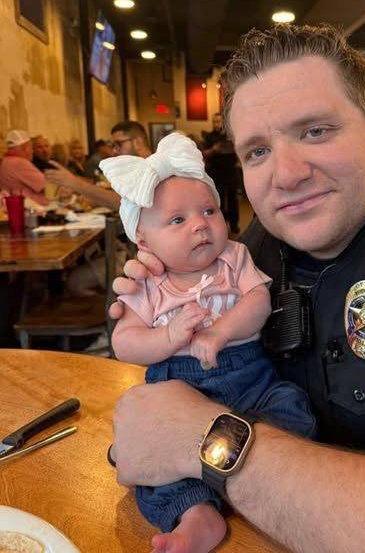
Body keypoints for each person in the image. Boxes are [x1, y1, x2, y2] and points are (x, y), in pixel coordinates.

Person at [110, 24, 365, 553]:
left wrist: (206, 440)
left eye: (315, 131)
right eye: (257, 152)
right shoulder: (255, 245)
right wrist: (156, 299)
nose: (286, 175)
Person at [100, 132, 315, 553]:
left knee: (292, 408)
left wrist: (220, 331)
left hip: (250, 379)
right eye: (177, 221)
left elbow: (258, 300)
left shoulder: (233, 257)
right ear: (144, 241)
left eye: (208, 211)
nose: (200, 224)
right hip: (178, 388)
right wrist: (167, 336)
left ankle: (262, 481)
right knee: (156, 471)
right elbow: (125, 343)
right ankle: (197, 513)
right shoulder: (146, 283)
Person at [202, 113, 240, 234]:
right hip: (216, 174)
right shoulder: (209, 137)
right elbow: (204, 154)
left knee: (233, 200)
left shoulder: (230, 135)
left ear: (223, 122)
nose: (216, 124)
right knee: (218, 201)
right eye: (214, 121)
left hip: (231, 173)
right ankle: (221, 224)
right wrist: (214, 149)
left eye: (218, 121)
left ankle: (234, 225)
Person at [0, 130, 48, 205]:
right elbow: (47, 186)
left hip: (15, 207)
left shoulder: (6, 161)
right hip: (31, 209)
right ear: (25, 148)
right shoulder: (19, 163)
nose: (32, 151)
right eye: (32, 148)